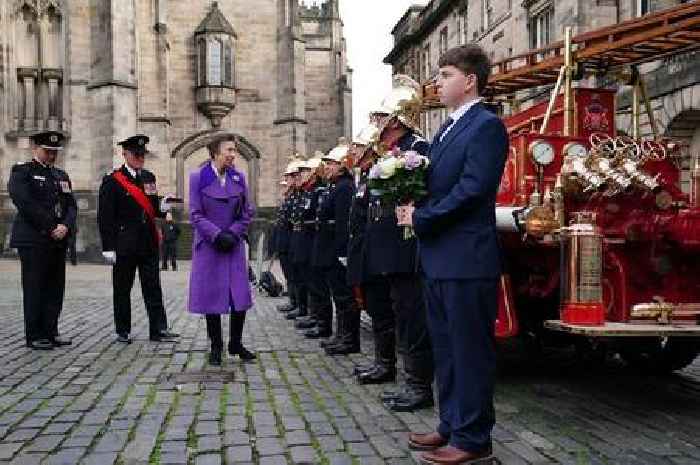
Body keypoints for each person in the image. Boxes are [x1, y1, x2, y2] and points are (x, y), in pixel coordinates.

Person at [397, 44, 508, 464]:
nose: (436, 83)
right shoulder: (446, 128)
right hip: (440, 256)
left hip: (466, 258)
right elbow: (436, 181)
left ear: (470, 81)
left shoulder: (485, 125)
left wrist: (421, 217)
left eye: (444, 75)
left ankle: (474, 438)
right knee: (446, 348)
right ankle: (452, 424)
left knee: (469, 351)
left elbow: (473, 189)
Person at [365, 77, 435, 412]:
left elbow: (417, 196)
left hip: (408, 248)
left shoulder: (418, 149)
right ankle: (409, 380)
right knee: (400, 313)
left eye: (382, 118)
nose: (377, 124)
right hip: (391, 248)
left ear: (397, 119)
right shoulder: (393, 151)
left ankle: (419, 385)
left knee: (412, 316)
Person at [98, 134, 180, 343]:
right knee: (122, 289)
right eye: (136, 154)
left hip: (147, 242)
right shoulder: (113, 180)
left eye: (142, 155)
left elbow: (151, 208)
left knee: (153, 287)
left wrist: (163, 207)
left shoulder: (149, 177)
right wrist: (108, 247)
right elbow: (105, 216)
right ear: (124, 153)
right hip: (124, 244)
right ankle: (122, 330)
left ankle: (158, 329)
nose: (140, 158)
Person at [188, 134, 255, 366]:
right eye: (229, 150)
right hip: (210, 245)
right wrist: (216, 235)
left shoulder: (239, 177)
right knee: (212, 297)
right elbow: (195, 213)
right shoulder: (198, 177)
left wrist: (234, 232)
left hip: (233, 244)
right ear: (215, 153)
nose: (233, 155)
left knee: (239, 295)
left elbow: (247, 211)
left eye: (234, 150)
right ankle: (216, 346)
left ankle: (235, 343)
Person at [8, 131, 76, 350]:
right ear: (35, 148)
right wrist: (51, 227)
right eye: (47, 151)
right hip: (34, 239)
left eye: (54, 152)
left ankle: (50, 331)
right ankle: (35, 334)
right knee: (35, 287)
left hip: (58, 239)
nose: (52, 156)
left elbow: (71, 205)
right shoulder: (22, 172)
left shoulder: (61, 175)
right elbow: (25, 203)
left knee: (55, 288)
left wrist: (65, 225)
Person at [347, 125, 397, 384]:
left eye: (357, 147)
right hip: (365, 251)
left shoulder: (380, 175)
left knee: (382, 311)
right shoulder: (365, 177)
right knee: (376, 311)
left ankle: (386, 365)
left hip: (376, 252)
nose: (353, 152)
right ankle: (381, 362)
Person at [311, 142, 355, 352]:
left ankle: (348, 339)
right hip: (328, 248)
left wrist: (341, 252)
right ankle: (341, 335)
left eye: (331, 164)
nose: (326, 168)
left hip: (335, 250)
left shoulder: (345, 188)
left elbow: (342, 223)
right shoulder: (335, 187)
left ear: (343, 166)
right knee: (338, 296)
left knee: (344, 297)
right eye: (326, 164)